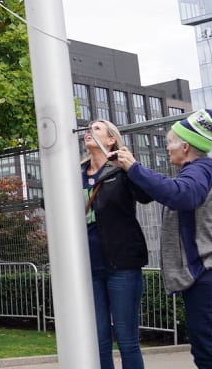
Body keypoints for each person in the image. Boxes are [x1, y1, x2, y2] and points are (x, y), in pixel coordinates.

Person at [113, 109, 212, 369]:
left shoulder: (199, 172)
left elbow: (180, 194)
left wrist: (134, 167)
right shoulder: (203, 173)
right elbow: (171, 191)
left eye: (169, 143)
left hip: (211, 274)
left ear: (185, 146)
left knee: (211, 353)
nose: (167, 149)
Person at [82, 119, 151, 369]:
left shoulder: (120, 171)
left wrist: (131, 167)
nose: (89, 131)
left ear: (111, 139)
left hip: (121, 265)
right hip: (89, 269)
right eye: (88, 128)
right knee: (98, 340)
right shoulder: (74, 175)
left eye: (97, 128)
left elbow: (146, 196)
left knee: (126, 339)